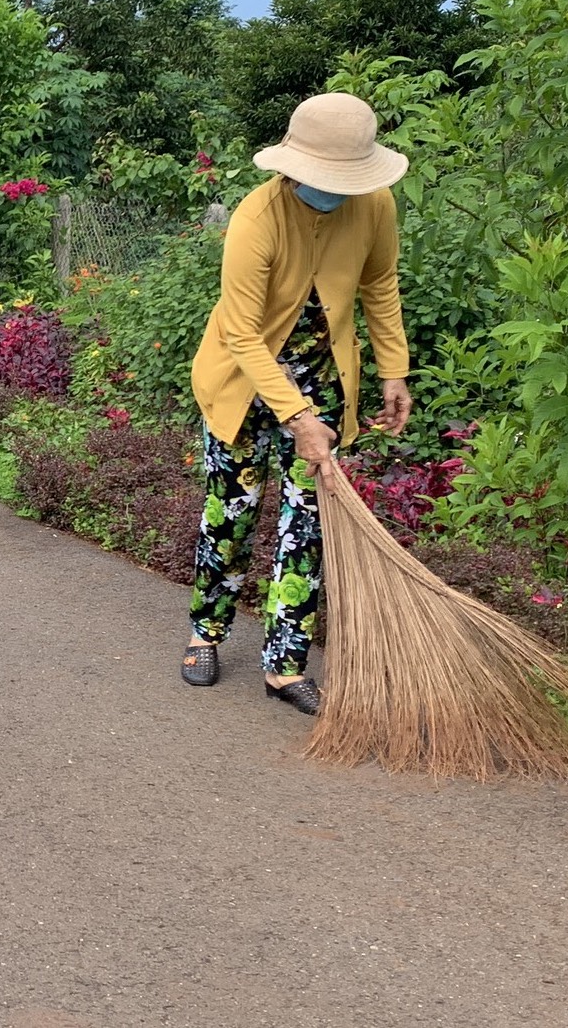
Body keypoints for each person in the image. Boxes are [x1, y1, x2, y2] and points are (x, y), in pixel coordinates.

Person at [182, 92, 412, 715]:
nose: (333, 191)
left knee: (306, 522)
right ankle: (206, 634)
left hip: (321, 377)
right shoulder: (258, 219)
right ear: (292, 167)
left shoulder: (374, 205)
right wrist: (298, 417)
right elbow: (240, 333)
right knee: (231, 510)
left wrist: (393, 370)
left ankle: (285, 666)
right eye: (321, 179)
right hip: (243, 381)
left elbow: (379, 285)